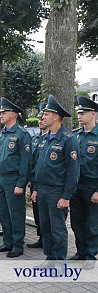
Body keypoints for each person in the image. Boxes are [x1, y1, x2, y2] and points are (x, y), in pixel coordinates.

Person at [32, 95, 80, 264]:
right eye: (43, 114)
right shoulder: (45, 138)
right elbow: (40, 167)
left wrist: (66, 196)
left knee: (57, 229)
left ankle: (59, 261)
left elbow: (73, 172)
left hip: (56, 192)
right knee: (45, 228)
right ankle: (50, 257)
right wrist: (36, 188)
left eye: (47, 113)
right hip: (43, 190)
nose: (43, 116)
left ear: (56, 117)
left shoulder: (68, 139)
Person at [0, 98, 32, 258]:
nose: (1, 114)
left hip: (14, 180)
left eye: (4, 112)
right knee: (4, 212)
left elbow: (25, 162)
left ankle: (17, 245)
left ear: (13, 114)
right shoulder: (2, 135)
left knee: (16, 213)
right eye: (1, 112)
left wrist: (21, 183)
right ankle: (7, 242)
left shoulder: (22, 135)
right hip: (1, 179)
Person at [70, 96, 98, 270]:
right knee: (76, 221)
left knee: (92, 223)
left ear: (93, 114)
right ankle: (80, 251)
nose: (79, 116)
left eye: (83, 112)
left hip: (92, 186)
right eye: (78, 112)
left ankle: (90, 255)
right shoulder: (75, 135)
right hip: (75, 186)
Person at [27, 102, 48, 249]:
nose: (40, 120)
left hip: (49, 183)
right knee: (38, 213)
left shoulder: (53, 138)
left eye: (42, 118)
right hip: (35, 182)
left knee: (49, 216)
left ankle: (50, 241)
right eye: (39, 118)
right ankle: (42, 238)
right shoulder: (35, 139)